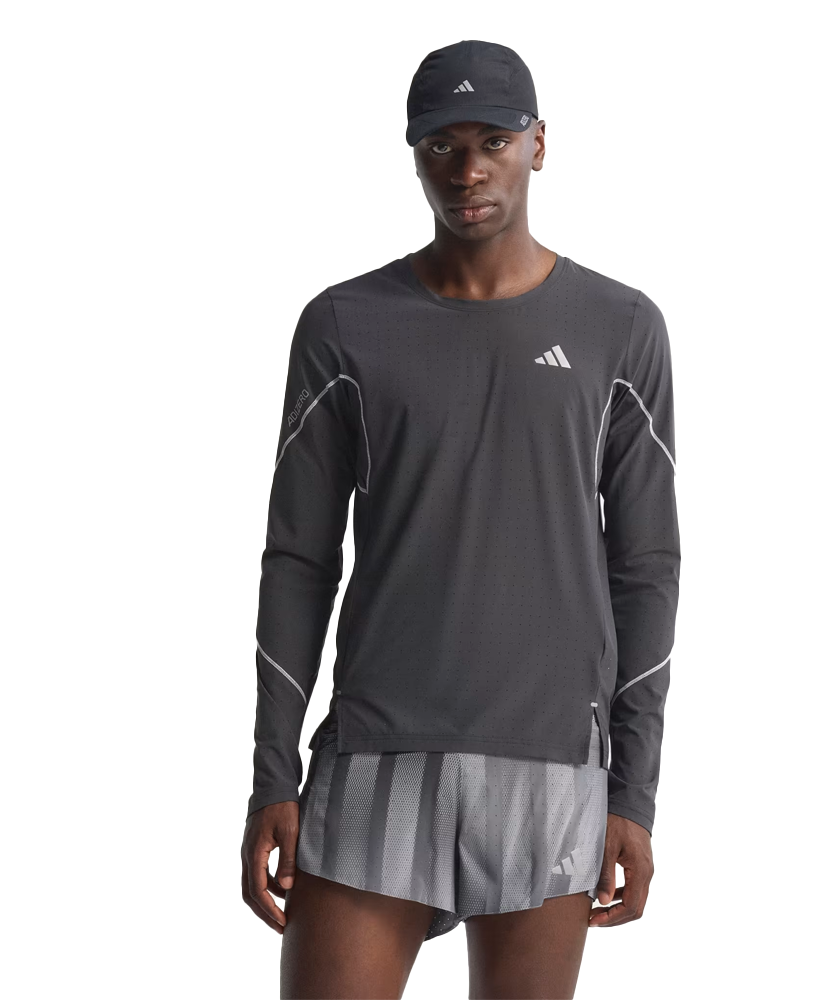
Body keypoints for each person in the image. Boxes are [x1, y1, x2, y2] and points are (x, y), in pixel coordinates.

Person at [241, 38, 680, 999]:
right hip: (376, 753)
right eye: (441, 144)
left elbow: (646, 566)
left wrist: (634, 794)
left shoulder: (620, 327)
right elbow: (298, 559)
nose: (468, 169)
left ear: (539, 144)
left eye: (494, 141)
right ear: (413, 153)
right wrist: (274, 771)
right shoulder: (344, 325)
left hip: (550, 763)